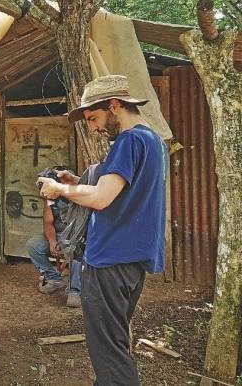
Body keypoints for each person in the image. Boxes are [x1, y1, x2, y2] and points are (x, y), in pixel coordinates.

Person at [39, 75, 166, 386]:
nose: (93, 127)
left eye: (93, 118)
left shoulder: (128, 140)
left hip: (109, 261)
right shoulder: (153, 142)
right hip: (131, 263)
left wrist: (58, 189)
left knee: (109, 358)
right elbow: (120, 196)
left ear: (114, 105)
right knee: (115, 345)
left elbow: (101, 197)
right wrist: (77, 183)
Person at [26, 167, 82, 308]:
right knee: (33, 245)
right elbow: (48, 222)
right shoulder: (50, 199)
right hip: (59, 235)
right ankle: (54, 279)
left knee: (77, 249)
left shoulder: (78, 193)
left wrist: (69, 241)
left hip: (78, 237)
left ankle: (75, 290)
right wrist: (52, 241)